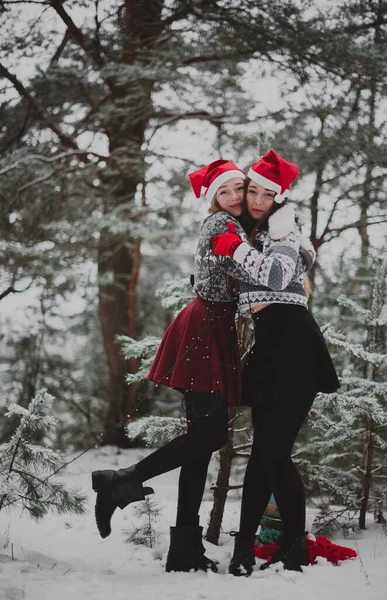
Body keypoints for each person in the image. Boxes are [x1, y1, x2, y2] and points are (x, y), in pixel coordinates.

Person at [92, 159, 254, 573]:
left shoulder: (227, 226)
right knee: (210, 435)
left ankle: (184, 549)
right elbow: (239, 274)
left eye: (239, 188)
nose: (234, 197)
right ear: (214, 198)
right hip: (205, 330)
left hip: (209, 326)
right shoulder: (224, 226)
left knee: (201, 441)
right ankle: (121, 480)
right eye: (225, 191)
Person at [212, 150, 339, 575]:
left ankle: (270, 547)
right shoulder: (245, 231)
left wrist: (236, 250)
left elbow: (277, 276)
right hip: (268, 350)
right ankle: (266, 547)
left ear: (279, 198)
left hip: (297, 349)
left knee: (271, 452)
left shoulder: (286, 232)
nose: (257, 199)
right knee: (269, 456)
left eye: (268, 194)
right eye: (252, 190)